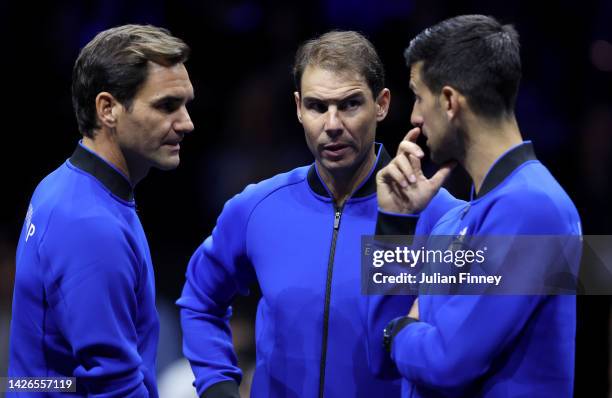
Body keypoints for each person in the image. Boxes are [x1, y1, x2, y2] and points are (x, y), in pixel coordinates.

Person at [177, 30, 461, 398]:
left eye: (349, 104)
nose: (332, 125)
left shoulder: (443, 216)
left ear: (382, 104)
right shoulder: (257, 208)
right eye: (317, 106)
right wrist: (217, 386)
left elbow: (501, 320)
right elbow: (199, 299)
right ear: (298, 108)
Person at [371, 15, 581, 397]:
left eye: (418, 97)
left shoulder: (533, 207)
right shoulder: (452, 220)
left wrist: (399, 331)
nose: (415, 117)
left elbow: (447, 361)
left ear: (449, 101)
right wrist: (394, 223)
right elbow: (380, 353)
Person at [9, 24, 194, 397]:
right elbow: (114, 386)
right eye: (167, 106)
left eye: (186, 103)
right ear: (107, 109)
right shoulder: (90, 224)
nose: (186, 123)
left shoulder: (63, 185)